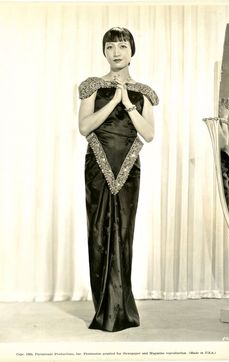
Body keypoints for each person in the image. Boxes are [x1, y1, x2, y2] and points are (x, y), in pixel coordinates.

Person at [78, 27, 158, 332]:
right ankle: (102, 309)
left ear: (131, 51)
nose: (116, 52)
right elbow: (84, 127)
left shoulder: (144, 92)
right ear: (104, 51)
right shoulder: (91, 87)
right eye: (110, 46)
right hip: (97, 168)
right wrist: (112, 101)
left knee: (124, 235)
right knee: (98, 234)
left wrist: (127, 103)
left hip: (129, 169)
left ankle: (123, 309)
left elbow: (148, 134)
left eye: (122, 46)